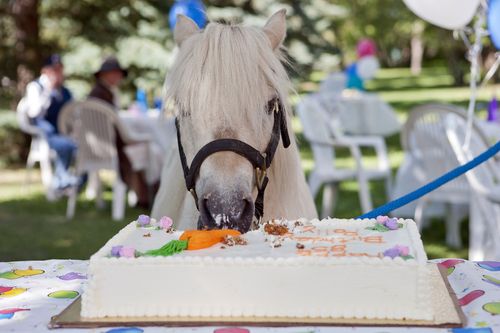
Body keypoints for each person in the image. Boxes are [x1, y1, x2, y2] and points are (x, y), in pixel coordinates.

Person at [24, 54, 78, 195]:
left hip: (63, 133)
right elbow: (34, 113)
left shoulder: (65, 91)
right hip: (45, 133)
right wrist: (48, 92)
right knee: (66, 145)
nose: (57, 73)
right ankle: (62, 182)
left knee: (81, 148)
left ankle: (64, 183)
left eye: (60, 69)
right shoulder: (36, 87)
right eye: (54, 70)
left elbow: (73, 112)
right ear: (45, 71)